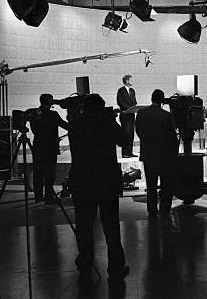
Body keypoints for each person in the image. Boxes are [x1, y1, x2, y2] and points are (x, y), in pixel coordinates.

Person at [67, 94, 129, 282]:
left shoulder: (76, 124)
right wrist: (112, 120)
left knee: (84, 225)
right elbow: (125, 140)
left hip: (82, 180)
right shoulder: (107, 123)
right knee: (111, 227)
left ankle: (85, 261)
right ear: (101, 108)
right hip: (106, 181)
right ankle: (116, 267)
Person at [135, 89, 179, 220]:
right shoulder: (166, 115)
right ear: (162, 100)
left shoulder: (141, 114)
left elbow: (139, 132)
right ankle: (165, 210)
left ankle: (152, 211)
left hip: (148, 154)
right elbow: (172, 136)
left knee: (151, 185)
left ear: (151, 98)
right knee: (166, 185)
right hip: (164, 155)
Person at [30, 94, 69, 204]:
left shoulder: (34, 114)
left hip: (38, 146)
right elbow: (64, 125)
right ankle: (48, 197)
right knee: (50, 173)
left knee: (38, 172)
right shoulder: (53, 115)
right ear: (51, 103)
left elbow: (34, 129)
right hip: (51, 147)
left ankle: (38, 197)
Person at [117, 74, 137, 158]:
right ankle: (125, 152)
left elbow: (135, 101)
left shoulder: (132, 91)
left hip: (131, 115)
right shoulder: (121, 90)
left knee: (131, 134)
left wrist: (133, 107)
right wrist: (129, 108)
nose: (133, 81)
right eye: (131, 80)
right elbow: (120, 102)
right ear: (127, 81)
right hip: (125, 115)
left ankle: (130, 152)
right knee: (126, 134)